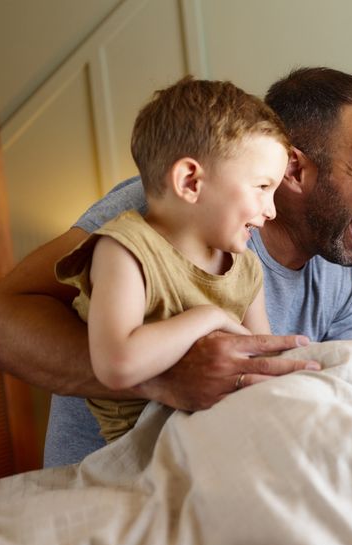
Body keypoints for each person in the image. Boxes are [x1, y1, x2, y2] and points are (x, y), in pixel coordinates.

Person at [0, 67, 352, 465]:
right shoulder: (163, 214)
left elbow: (322, 396)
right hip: (113, 476)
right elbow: (4, 320)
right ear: (295, 170)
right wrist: (166, 379)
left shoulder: (335, 276)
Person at [55, 77, 287, 443]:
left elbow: (263, 364)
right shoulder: (125, 250)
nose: (272, 210)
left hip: (225, 431)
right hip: (146, 448)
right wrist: (208, 316)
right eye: (262, 187)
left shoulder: (245, 268)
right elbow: (117, 365)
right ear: (190, 181)